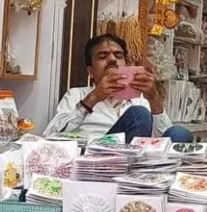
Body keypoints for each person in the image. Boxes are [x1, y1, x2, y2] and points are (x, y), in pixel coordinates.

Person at [44, 34, 192, 143]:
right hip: (99, 158)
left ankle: (145, 173)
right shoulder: (77, 95)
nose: (112, 59)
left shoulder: (140, 99)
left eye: (118, 55)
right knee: (138, 114)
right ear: (90, 71)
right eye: (103, 56)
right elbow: (51, 136)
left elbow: (164, 138)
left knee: (180, 134)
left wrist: (154, 98)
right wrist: (93, 98)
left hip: (142, 159)